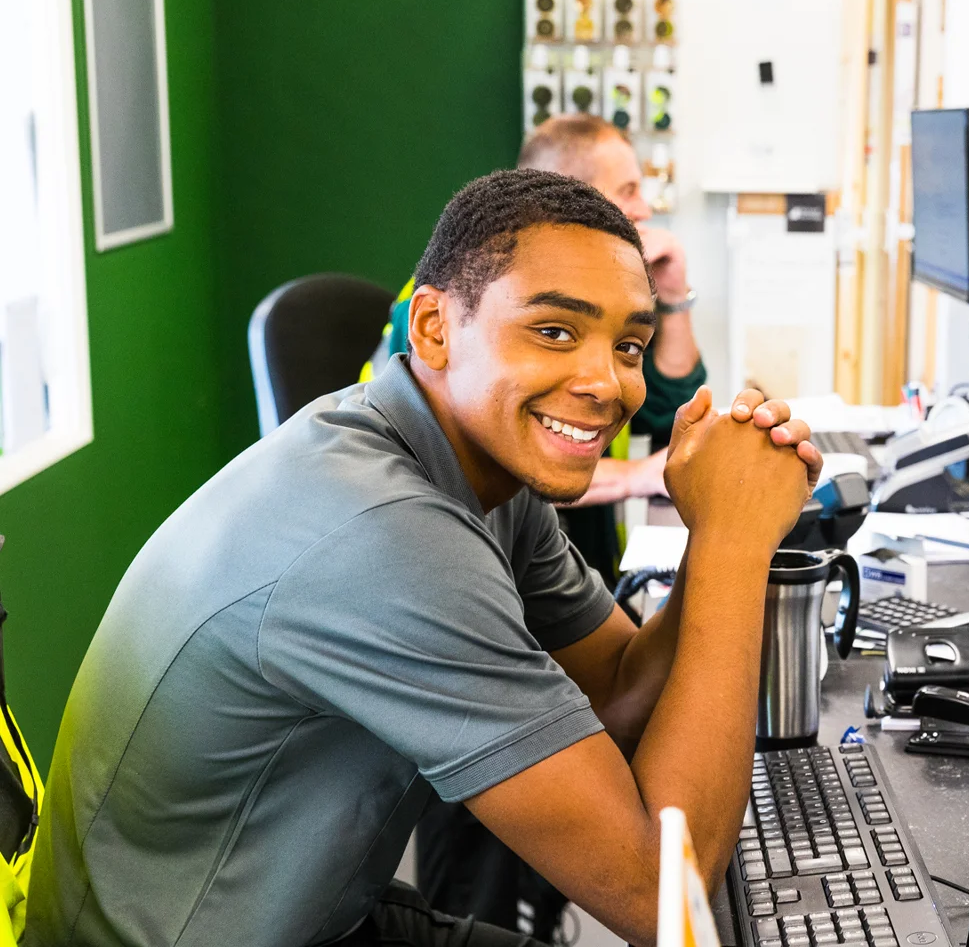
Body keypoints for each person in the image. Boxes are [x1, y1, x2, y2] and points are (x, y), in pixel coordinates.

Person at [29, 169, 821, 947]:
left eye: (628, 345)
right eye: (553, 330)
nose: (604, 382)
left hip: (327, 913)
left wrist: (720, 533)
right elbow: (666, 902)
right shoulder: (386, 534)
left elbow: (617, 692)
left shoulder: (477, 468)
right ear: (434, 328)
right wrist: (730, 542)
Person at [367, 115, 702, 583]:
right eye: (627, 191)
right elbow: (498, 437)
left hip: (576, 556)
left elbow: (670, 408)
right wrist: (635, 478)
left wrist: (673, 295)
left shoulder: (607, 305)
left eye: (629, 346)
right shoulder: (456, 299)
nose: (644, 209)